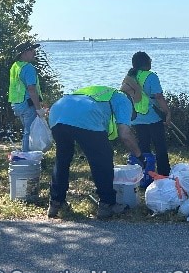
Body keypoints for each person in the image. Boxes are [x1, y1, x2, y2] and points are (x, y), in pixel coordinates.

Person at [47, 83, 144, 219]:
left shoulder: (101, 92)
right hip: (86, 115)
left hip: (58, 111)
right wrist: (139, 155)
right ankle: (107, 204)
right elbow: (125, 134)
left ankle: (56, 203)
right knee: (102, 159)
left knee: (62, 158)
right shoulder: (123, 99)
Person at [123, 51, 172, 176]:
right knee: (160, 146)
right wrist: (167, 112)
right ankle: (163, 172)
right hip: (152, 117)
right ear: (146, 63)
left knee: (143, 146)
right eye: (150, 60)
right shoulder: (151, 76)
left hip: (136, 117)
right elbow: (159, 96)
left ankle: (144, 172)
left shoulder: (130, 77)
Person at [8, 41, 46, 151]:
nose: (34, 52)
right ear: (24, 53)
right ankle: (28, 158)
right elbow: (31, 89)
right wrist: (39, 109)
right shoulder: (28, 68)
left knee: (27, 131)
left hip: (17, 104)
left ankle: (29, 155)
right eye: (31, 50)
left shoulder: (15, 66)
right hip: (27, 104)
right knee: (29, 133)